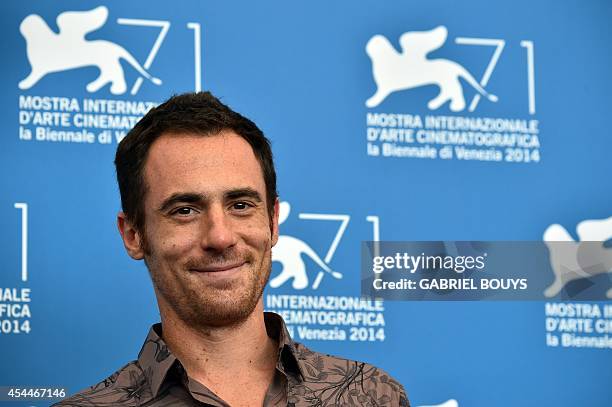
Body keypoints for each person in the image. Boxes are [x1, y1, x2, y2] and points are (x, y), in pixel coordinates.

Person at [55, 92, 409, 406]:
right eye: (185, 210)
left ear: (273, 221)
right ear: (133, 234)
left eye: (240, 205)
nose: (220, 237)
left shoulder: (370, 395)